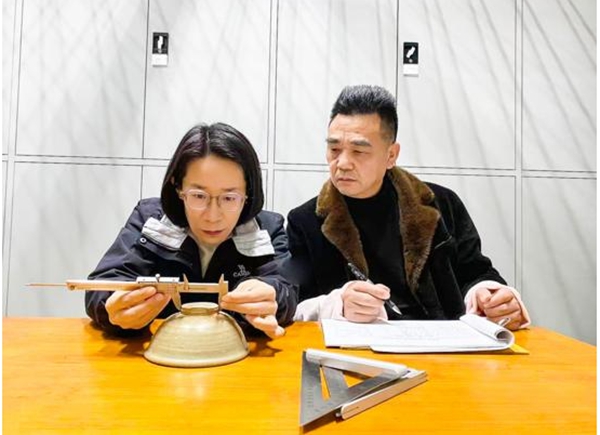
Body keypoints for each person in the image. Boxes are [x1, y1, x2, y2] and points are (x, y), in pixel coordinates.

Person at [282, 85, 530, 330]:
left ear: (391, 155)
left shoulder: (440, 204)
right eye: (334, 149)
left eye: (359, 151)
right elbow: (292, 302)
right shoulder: (306, 220)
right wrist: (338, 305)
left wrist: (491, 296)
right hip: (354, 346)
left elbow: (476, 273)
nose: (343, 163)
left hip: (444, 341)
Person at [85, 122, 297, 338]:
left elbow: (287, 288)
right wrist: (113, 308)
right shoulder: (150, 219)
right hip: (161, 351)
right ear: (178, 187)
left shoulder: (267, 228)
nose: (212, 216)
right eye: (198, 196)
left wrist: (271, 296)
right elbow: (102, 285)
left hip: (237, 352)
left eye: (229, 198)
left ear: (248, 193)